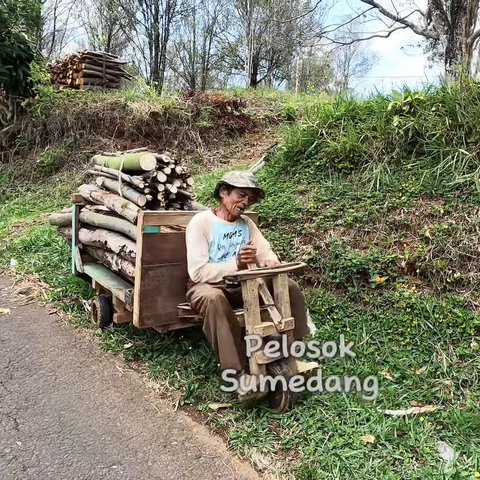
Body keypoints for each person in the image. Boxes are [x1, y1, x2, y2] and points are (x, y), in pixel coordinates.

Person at [185, 171, 310, 377]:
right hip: (208, 286)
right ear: (224, 192)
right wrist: (236, 263)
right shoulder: (201, 222)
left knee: (289, 286)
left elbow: (265, 252)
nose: (246, 202)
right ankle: (237, 372)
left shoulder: (247, 224)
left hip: (243, 285)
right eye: (241, 195)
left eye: (249, 198)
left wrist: (272, 262)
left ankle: (292, 352)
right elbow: (198, 273)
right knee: (212, 298)